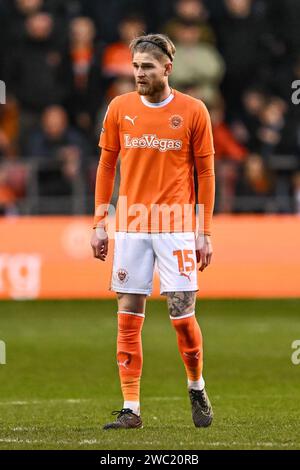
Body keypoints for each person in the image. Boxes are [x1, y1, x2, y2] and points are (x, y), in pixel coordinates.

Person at [91, 33, 215, 430]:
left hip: (176, 228)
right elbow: (107, 165)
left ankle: (196, 386)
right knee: (127, 319)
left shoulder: (194, 111)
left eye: (147, 66)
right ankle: (131, 408)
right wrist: (99, 222)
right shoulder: (119, 108)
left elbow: (207, 173)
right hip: (130, 226)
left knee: (181, 317)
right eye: (135, 66)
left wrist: (204, 231)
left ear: (167, 69)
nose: (139, 73)